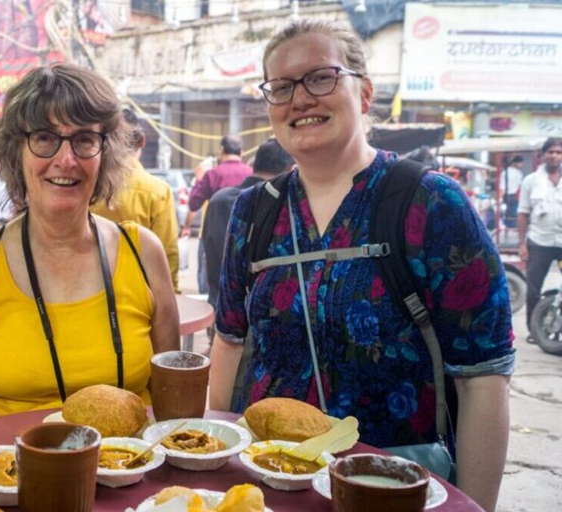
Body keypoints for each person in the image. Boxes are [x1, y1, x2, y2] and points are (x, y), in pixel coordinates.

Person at [209, 20, 513, 512]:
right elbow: (229, 339)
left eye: (321, 77)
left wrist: (472, 507)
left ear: (365, 93)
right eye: (281, 87)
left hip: (394, 487)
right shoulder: (253, 211)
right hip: (265, 484)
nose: (300, 98)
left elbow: (482, 376)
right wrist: (219, 466)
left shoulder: (431, 202)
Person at [0, 64, 180, 428]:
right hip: (12, 472)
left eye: (84, 139)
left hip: (130, 469)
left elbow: (171, 385)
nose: (66, 159)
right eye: (44, 138)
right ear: (16, 151)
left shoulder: (143, 252)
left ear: (105, 152)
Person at [91, 108, 180, 291]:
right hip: (141, 299)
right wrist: (173, 297)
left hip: (89, 294)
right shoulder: (157, 192)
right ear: (141, 141)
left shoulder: (85, 187)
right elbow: (167, 255)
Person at [202, 138, 294, 308]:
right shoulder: (285, 204)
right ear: (291, 169)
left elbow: (208, 253)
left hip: (221, 312)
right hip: (266, 319)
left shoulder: (219, 200)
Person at [183, 135, 252, 293]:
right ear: (241, 152)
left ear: (221, 150)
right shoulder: (250, 172)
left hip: (214, 234)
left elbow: (194, 203)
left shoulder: (213, 174)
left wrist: (199, 178)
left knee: (209, 279)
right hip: (247, 235)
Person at [518, 138, 562, 344]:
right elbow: (523, 213)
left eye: (559, 152)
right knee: (534, 289)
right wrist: (522, 244)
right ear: (543, 154)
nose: (555, 156)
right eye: (551, 152)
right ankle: (534, 331)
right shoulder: (531, 180)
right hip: (539, 242)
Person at [502, 155, 524, 228]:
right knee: (515, 214)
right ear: (515, 163)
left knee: (509, 214)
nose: (522, 165)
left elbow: (502, 185)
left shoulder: (505, 171)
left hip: (507, 195)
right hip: (515, 195)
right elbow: (520, 185)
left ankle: (509, 228)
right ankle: (514, 228)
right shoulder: (518, 173)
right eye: (521, 163)